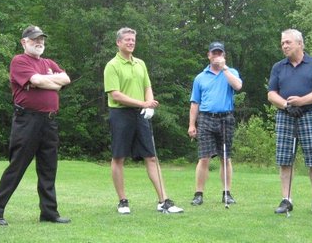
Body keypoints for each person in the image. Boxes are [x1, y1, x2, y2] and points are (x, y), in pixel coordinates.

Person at [0, 25, 71, 226]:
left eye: (41, 39)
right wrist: (49, 82)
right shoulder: (19, 61)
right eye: (34, 39)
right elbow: (36, 79)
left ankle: (49, 213)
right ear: (24, 42)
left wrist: (44, 81)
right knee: (17, 166)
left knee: (48, 169)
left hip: (49, 121)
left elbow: (65, 79)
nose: (39, 42)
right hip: (27, 121)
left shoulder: (49, 62)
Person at [103, 27, 183, 214]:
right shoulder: (112, 65)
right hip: (120, 114)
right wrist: (143, 103)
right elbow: (116, 95)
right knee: (118, 157)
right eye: (127, 40)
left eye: (133, 40)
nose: (131, 42)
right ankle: (122, 201)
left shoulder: (140, 63)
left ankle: (163, 200)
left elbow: (147, 86)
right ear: (118, 42)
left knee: (151, 156)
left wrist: (148, 106)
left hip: (140, 114)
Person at [267, 29, 312, 216]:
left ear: (300, 43)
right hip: (286, 116)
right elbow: (271, 94)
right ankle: (286, 200)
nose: (284, 46)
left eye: (288, 42)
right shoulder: (278, 67)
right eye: (282, 43)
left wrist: (301, 101)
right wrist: (286, 105)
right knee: (285, 160)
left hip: (311, 114)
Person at [188, 41, 242, 206]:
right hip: (205, 118)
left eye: (219, 53)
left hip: (226, 117)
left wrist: (225, 69)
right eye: (214, 53)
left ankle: (227, 193)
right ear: (209, 55)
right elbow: (195, 103)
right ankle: (198, 194)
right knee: (204, 157)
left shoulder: (231, 72)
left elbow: (238, 86)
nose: (216, 56)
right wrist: (192, 124)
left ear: (223, 55)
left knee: (225, 157)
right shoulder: (200, 77)